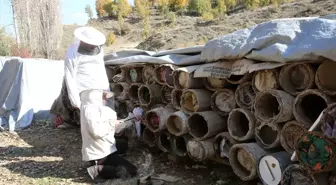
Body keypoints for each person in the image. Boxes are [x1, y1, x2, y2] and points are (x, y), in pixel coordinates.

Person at [50, 26, 110, 128]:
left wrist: (106, 89)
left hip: (97, 86)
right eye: (91, 44)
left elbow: (101, 69)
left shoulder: (99, 50)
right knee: (86, 116)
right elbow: (70, 75)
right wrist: (76, 102)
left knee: (101, 114)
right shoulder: (73, 51)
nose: (93, 47)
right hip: (82, 88)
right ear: (83, 41)